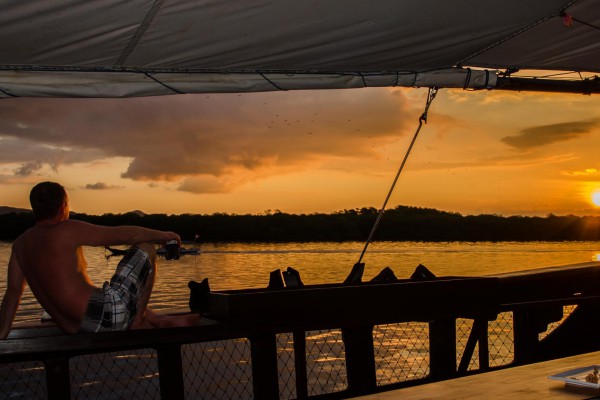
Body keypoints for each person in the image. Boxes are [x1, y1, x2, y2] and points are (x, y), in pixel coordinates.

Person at [0, 182, 199, 339]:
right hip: (108, 316)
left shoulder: (19, 245)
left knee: (115, 294)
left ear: (34, 208)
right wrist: (164, 235)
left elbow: (13, 293)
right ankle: (139, 322)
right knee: (146, 248)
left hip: (75, 329)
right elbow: (127, 236)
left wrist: (2, 333)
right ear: (63, 207)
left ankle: (158, 319)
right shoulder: (65, 229)